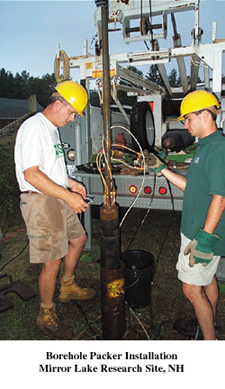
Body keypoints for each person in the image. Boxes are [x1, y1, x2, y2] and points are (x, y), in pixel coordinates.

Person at [14, 80, 95, 340]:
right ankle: (45, 313)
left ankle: (68, 286)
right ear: (57, 104)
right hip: (40, 201)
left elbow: (50, 168)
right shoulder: (34, 128)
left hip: (56, 196)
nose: (72, 119)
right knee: (52, 262)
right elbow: (32, 175)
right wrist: (68, 197)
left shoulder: (51, 129)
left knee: (79, 239)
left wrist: (71, 183)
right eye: (71, 113)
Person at [146, 90, 225, 340]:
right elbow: (191, 185)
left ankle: (209, 342)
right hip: (196, 228)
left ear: (205, 115)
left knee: (191, 289)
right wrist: (161, 169)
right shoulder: (204, 146)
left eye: (188, 118)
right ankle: (208, 320)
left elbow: (220, 198)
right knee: (207, 279)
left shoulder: (219, 149)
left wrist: (204, 238)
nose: (185, 124)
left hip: (202, 233)